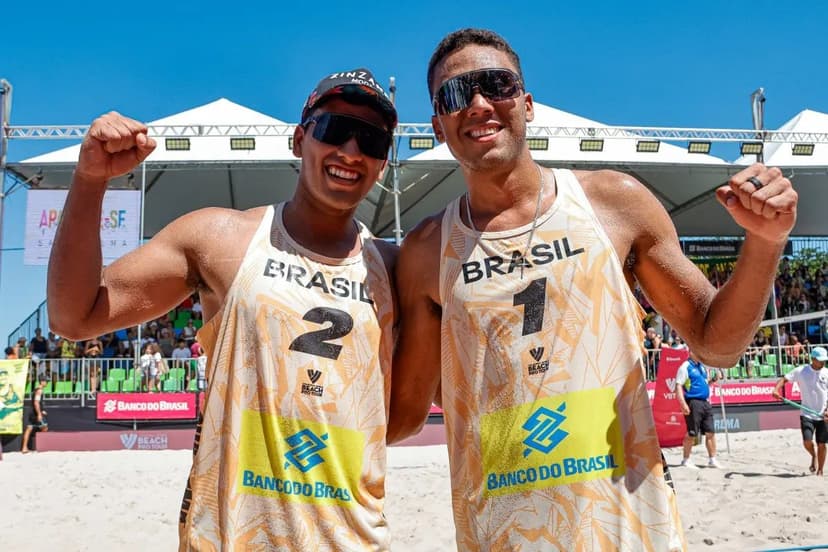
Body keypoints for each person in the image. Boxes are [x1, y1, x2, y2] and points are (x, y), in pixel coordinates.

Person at [388, 28, 798, 551]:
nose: (477, 103)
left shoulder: (612, 201)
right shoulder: (426, 250)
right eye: (454, 94)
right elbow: (405, 413)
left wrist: (764, 243)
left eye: (497, 84)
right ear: (438, 127)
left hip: (627, 531)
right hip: (502, 536)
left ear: (528, 104)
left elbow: (716, 344)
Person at [47, 67, 398, 550]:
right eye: (334, 129)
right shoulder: (220, 237)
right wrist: (88, 181)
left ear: (383, 164)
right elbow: (73, 317)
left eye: (373, 141)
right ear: (299, 140)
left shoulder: (395, 269)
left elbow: (403, 416)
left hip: (353, 538)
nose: (351, 151)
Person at [773, 346, 828, 475]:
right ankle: (813, 455)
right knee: (807, 441)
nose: (823, 363)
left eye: (824, 360)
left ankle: (820, 470)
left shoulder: (826, 373)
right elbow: (784, 379)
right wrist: (776, 390)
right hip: (807, 413)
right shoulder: (802, 371)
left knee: (822, 444)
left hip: (823, 415)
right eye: (820, 360)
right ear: (813, 359)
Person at [675, 351, 720, 468]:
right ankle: (686, 460)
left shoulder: (702, 367)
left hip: (705, 402)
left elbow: (705, 384)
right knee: (692, 432)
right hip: (693, 402)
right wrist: (683, 403)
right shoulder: (685, 366)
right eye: (696, 351)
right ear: (691, 352)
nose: (700, 353)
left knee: (711, 432)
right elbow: (678, 386)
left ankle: (712, 460)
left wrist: (713, 380)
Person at [20, 374, 49, 453]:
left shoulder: (36, 389)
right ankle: (40, 446)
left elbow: (37, 403)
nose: (47, 383)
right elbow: (36, 403)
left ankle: (24, 448)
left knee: (29, 429)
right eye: (46, 381)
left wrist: (42, 410)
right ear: (42, 382)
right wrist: (39, 414)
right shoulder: (39, 390)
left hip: (32, 412)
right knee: (45, 427)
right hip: (35, 413)